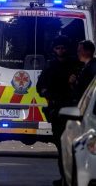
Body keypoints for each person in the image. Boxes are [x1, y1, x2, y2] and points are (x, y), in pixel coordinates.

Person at [37, 35, 78, 186]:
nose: (60, 51)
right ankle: (64, 177)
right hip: (56, 110)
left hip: (73, 110)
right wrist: (47, 93)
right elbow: (40, 86)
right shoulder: (50, 66)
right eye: (58, 48)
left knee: (73, 147)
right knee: (61, 147)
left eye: (63, 48)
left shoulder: (75, 65)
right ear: (54, 49)